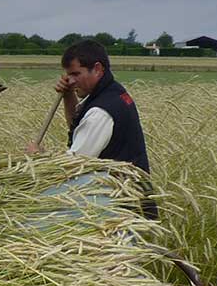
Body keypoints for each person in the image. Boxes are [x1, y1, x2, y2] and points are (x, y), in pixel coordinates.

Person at [27, 39, 156, 217]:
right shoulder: (112, 92)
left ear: (97, 69)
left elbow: (73, 168)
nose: (69, 80)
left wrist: (38, 159)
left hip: (122, 214)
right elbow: (78, 125)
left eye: (75, 74)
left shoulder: (101, 112)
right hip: (124, 203)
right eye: (67, 75)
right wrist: (68, 95)